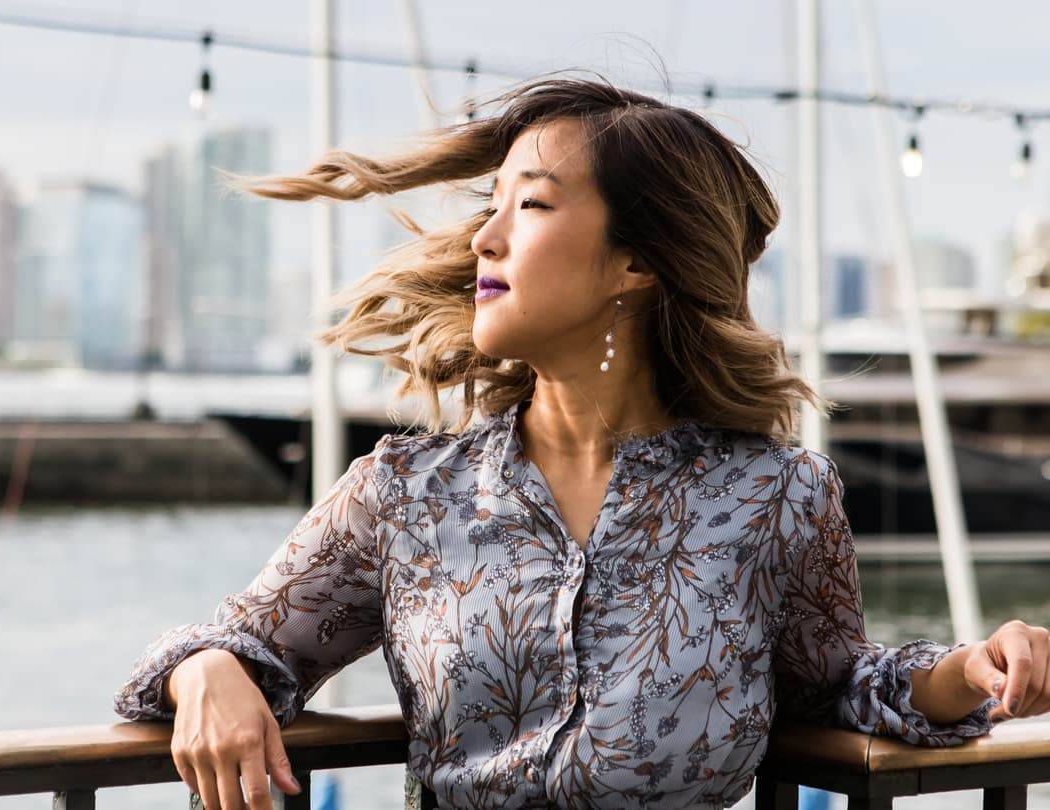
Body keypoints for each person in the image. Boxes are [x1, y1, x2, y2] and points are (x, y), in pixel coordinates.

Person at [115, 76, 1050, 810]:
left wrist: (970, 670)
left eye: (530, 206)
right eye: (495, 205)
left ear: (637, 262)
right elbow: (229, 643)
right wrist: (210, 673)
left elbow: (836, 682)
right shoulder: (405, 494)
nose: (483, 236)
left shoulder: (776, 496)